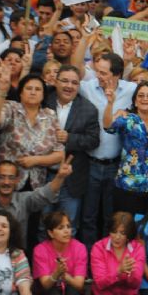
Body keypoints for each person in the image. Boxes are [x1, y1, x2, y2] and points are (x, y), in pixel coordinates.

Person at [79, 53, 137, 248]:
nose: (98, 76)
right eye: (97, 71)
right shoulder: (88, 88)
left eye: (103, 73)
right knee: (88, 216)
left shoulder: (131, 90)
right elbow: (73, 70)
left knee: (110, 217)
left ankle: (108, 257)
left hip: (116, 166)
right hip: (91, 164)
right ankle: (89, 259)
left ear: (117, 74)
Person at [0, 151, 73, 244]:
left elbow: (46, 194)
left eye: (11, 178)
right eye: (1, 177)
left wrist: (60, 177)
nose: (6, 182)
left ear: (17, 180)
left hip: (16, 258)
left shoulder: (25, 200)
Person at [43, 65, 100, 235]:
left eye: (74, 83)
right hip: (44, 174)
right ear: (55, 81)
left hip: (71, 178)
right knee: (43, 225)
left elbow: (93, 140)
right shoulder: (43, 100)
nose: (69, 86)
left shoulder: (89, 109)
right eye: (65, 81)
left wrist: (70, 138)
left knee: (69, 226)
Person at [0, 71, 65, 191]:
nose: (33, 92)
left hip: (37, 184)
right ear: (21, 93)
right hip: (8, 181)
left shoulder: (50, 115)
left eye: (38, 89)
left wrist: (36, 160)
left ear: (43, 95)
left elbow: (59, 155)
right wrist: (2, 90)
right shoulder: (11, 108)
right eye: (29, 88)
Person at [103, 81, 148, 216]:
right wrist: (110, 104)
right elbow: (108, 126)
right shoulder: (128, 119)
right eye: (141, 95)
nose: (145, 99)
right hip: (129, 187)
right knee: (127, 226)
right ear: (135, 101)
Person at [33, 211, 87, 295]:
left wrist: (65, 276)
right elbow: (45, 285)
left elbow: (79, 284)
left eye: (68, 226)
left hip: (73, 292)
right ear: (50, 233)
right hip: (48, 294)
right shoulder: (40, 250)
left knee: (72, 292)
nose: (67, 231)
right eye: (61, 228)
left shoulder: (80, 248)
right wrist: (56, 273)